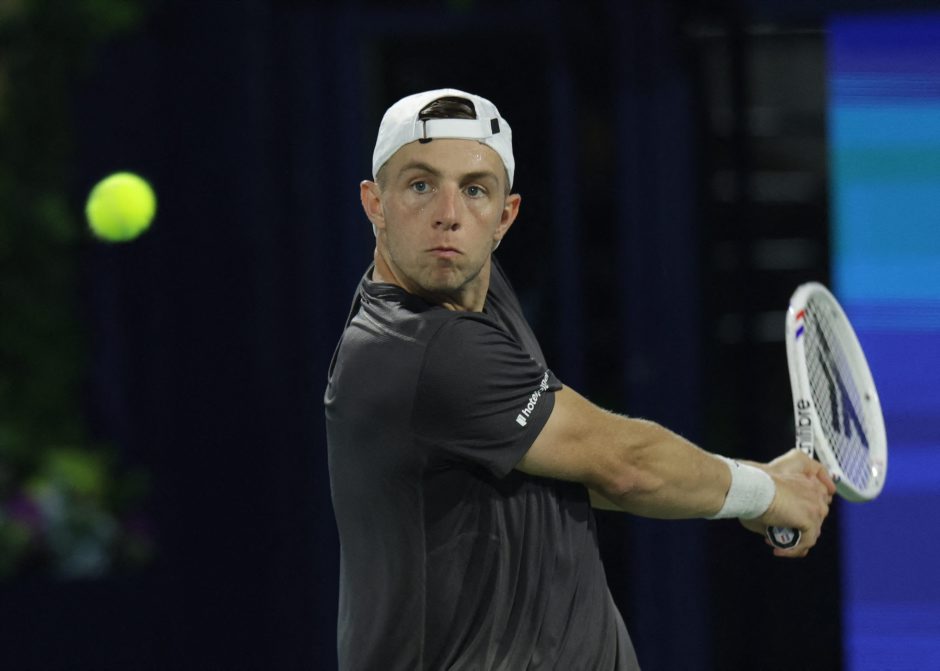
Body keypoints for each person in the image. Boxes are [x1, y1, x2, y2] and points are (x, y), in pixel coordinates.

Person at [324, 88, 835, 670]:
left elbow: (577, 469)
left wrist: (755, 481)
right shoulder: (424, 349)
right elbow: (624, 464)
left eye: (475, 190)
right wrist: (765, 495)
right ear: (375, 203)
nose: (449, 212)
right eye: (420, 185)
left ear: (505, 217)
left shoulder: (470, 288)